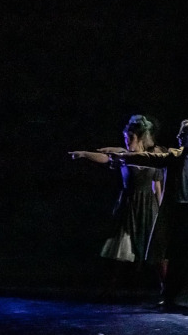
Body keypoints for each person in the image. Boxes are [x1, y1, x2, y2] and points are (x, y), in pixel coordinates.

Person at [111, 120, 188, 308]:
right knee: (178, 257)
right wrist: (125, 158)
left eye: (184, 134)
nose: (179, 137)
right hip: (182, 212)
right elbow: (150, 158)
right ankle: (169, 296)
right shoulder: (175, 156)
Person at [69, 115, 164, 295]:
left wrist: (160, 210)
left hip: (148, 207)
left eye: (130, 138)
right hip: (129, 206)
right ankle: (109, 289)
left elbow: (157, 186)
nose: (127, 141)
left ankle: (165, 289)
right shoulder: (123, 156)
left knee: (154, 251)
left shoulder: (152, 156)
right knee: (121, 248)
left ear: (140, 138)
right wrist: (84, 154)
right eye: (126, 138)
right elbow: (106, 158)